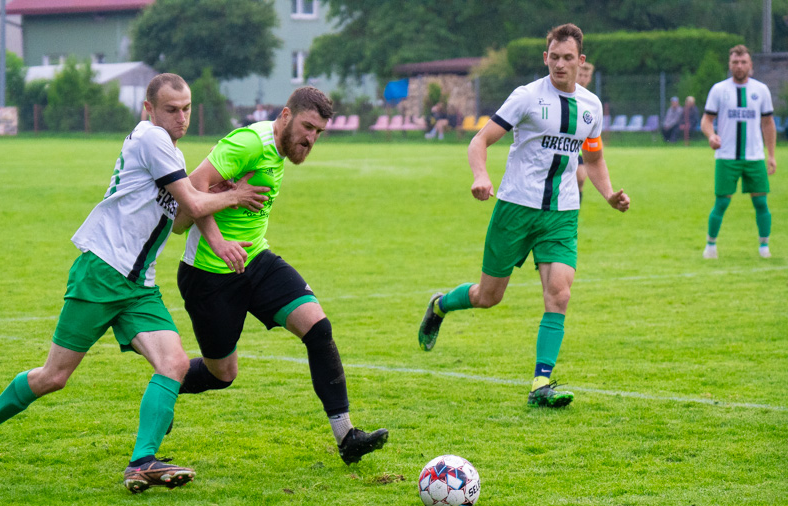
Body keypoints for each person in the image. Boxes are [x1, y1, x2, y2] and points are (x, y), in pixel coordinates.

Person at [0, 73, 269, 493]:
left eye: (187, 108)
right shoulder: (151, 139)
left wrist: (220, 239)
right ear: (149, 110)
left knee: (173, 363)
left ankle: (141, 462)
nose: (181, 117)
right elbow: (193, 201)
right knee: (53, 376)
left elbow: (179, 222)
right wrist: (234, 195)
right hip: (102, 273)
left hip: (138, 285)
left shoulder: (170, 150)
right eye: (171, 110)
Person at [418, 23, 630, 408]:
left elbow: (594, 158)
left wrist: (609, 194)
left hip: (562, 213)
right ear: (545, 57)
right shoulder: (527, 97)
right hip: (515, 208)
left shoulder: (591, 107)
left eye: (568, 58)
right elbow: (480, 140)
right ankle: (440, 305)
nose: (560, 64)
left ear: (581, 62)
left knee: (559, 295)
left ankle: (540, 384)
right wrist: (481, 176)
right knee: (488, 296)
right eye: (554, 56)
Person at [175, 86, 389, 464]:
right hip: (209, 274)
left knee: (318, 329)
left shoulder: (278, 152)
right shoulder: (249, 143)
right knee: (221, 374)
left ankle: (347, 437)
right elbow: (192, 189)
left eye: (318, 133)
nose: (310, 138)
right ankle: (167, 379)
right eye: (307, 127)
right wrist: (221, 241)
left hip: (255, 260)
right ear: (286, 116)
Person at [700, 45, 776, 259]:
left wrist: (771, 155)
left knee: (761, 202)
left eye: (743, 62)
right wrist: (711, 135)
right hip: (726, 157)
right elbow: (707, 119)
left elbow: (768, 123)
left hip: (754, 157)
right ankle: (711, 246)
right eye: (735, 62)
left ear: (750, 65)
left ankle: (764, 247)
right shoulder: (719, 90)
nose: (739, 66)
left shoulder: (761, 90)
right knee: (722, 202)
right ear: (730, 64)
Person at [575, 62, 595, 202]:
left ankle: (574, 212)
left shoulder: (591, 100)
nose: (583, 78)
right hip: (563, 144)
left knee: (581, 179)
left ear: (590, 79)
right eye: (580, 74)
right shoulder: (568, 93)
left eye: (586, 76)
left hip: (582, 147)